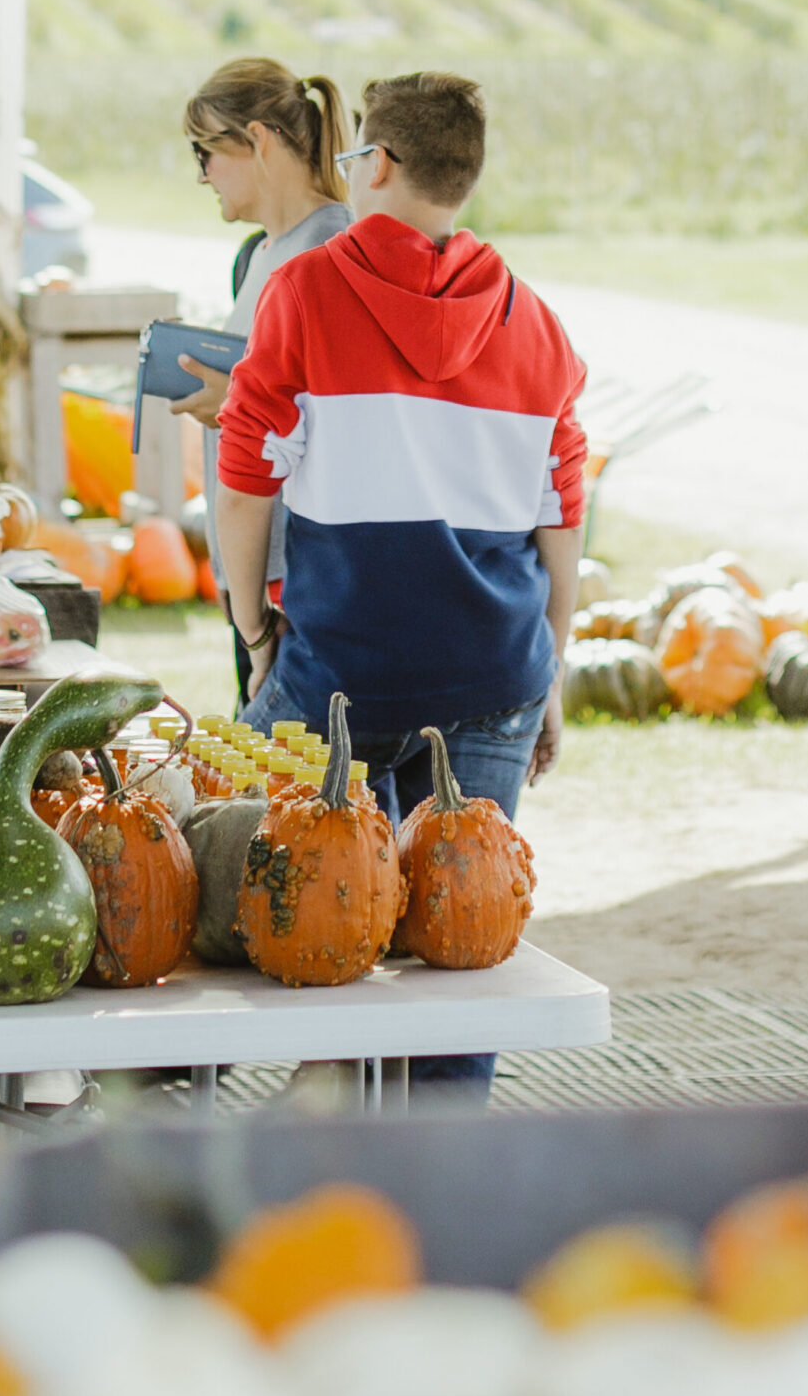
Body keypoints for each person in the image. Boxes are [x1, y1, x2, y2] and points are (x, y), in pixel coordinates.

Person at [216, 73, 585, 1098]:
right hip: (492, 668)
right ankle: (438, 1157)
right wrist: (548, 668)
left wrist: (254, 629)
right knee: (466, 933)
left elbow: (245, 485)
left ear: (375, 163)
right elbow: (561, 515)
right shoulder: (536, 324)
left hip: (341, 668)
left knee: (320, 911)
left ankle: (333, 1099)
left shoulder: (304, 292)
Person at [165, 60, 353, 703]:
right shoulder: (263, 252)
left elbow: (342, 414)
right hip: (254, 573)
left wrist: (234, 403)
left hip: (290, 581)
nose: (201, 174)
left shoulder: (328, 250)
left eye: (206, 151)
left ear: (259, 140)